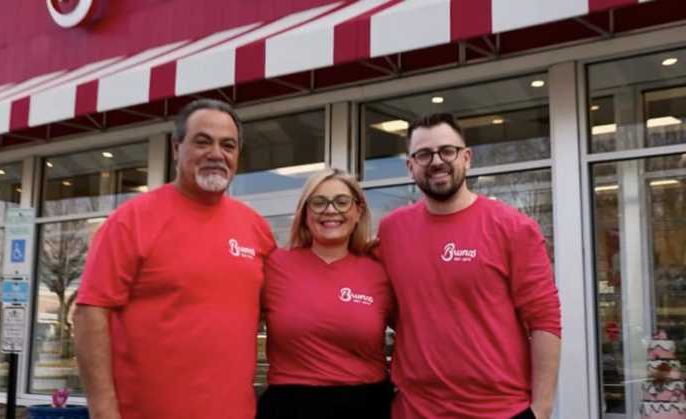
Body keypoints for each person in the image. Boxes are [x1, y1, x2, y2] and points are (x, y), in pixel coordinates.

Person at [73, 99, 276, 419]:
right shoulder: (131, 220)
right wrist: (103, 410)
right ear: (176, 147)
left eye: (228, 145)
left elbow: (282, 311)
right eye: (202, 141)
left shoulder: (256, 229)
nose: (216, 154)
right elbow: (90, 314)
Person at [377, 113, 562, 419]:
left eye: (447, 150)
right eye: (423, 154)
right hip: (413, 411)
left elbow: (545, 320)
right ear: (410, 166)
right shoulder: (391, 231)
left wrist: (541, 409)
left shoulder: (513, 227)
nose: (436, 161)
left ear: (467, 158)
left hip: (499, 411)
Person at [258, 168, 394, 419]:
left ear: (358, 211)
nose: (330, 210)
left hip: (367, 406)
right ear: (305, 213)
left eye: (342, 202)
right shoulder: (274, 265)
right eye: (318, 202)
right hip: (290, 406)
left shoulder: (381, 271)